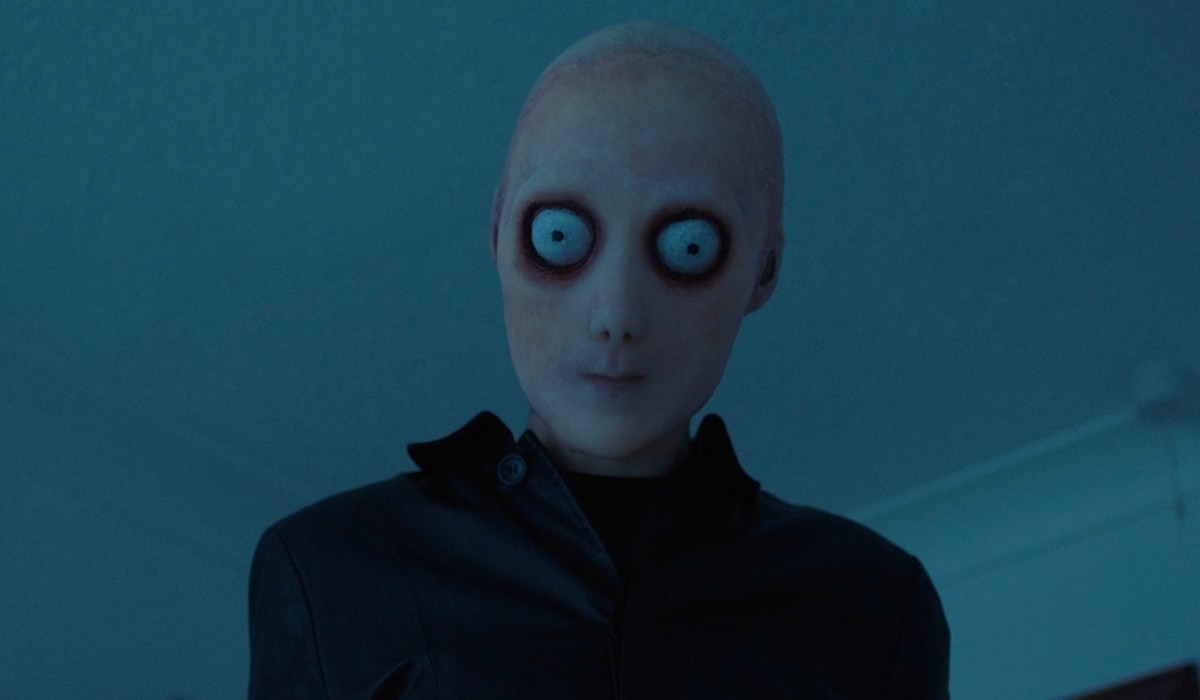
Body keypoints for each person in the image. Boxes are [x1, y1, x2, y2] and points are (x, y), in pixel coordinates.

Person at [248, 20, 950, 699]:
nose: (616, 312)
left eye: (689, 248)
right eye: (559, 236)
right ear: (497, 235)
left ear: (763, 271)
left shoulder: (872, 603)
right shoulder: (330, 571)